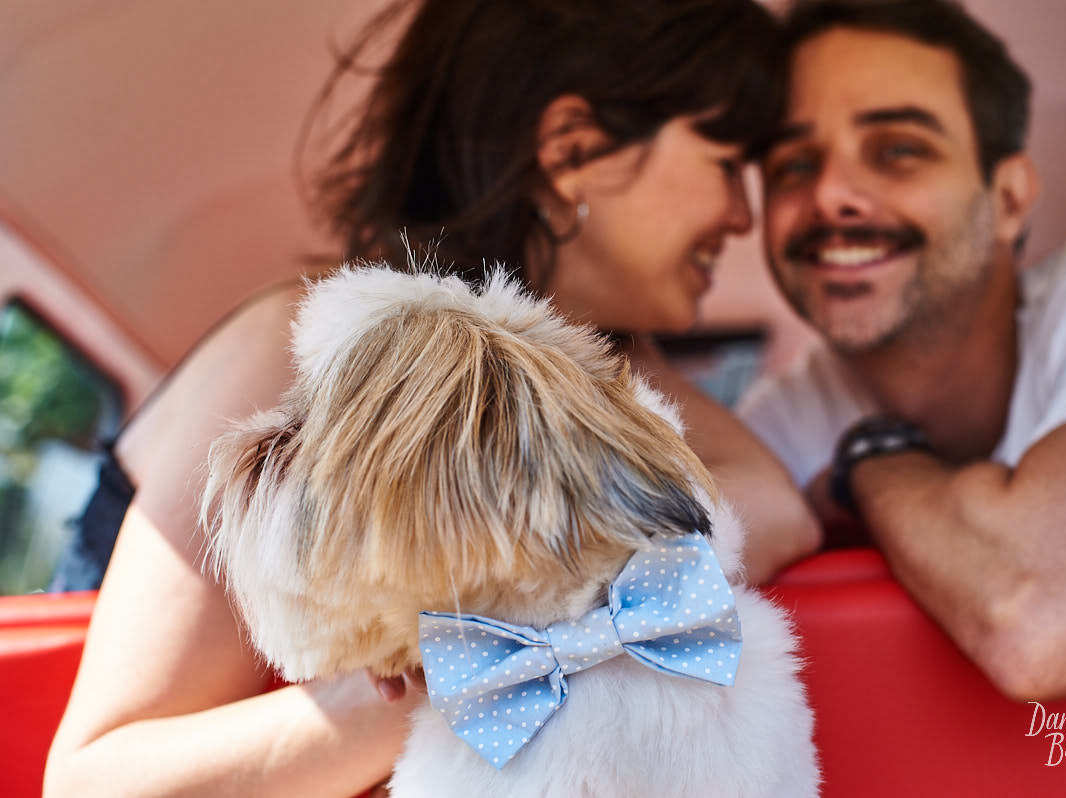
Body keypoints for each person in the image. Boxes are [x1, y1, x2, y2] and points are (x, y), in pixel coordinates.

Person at [44, 2, 819, 796]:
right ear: (574, 150)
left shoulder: (611, 370)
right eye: (726, 162)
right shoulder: (300, 360)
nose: (741, 214)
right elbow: (99, 781)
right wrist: (467, 673)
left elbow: (776, 510)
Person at [739, 0, 1066, 701]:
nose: (831, 195)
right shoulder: (793, 409)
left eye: (899, 150)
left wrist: (873, 459)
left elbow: (1045, 618)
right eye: (793, 164)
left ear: (1010, 198)